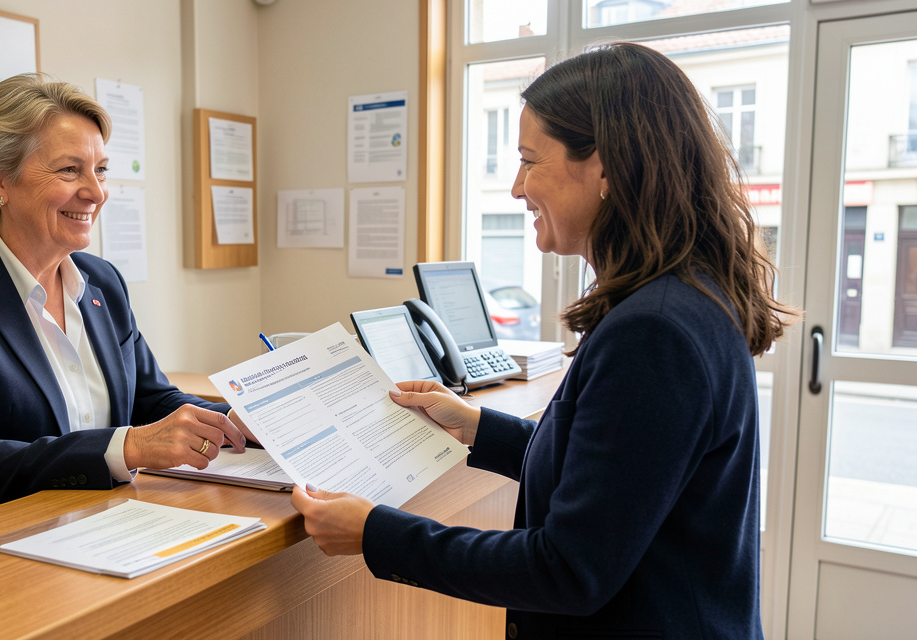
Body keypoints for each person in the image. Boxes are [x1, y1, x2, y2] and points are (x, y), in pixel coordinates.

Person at [290, 42, 799, 638]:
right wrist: (477, 427)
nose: (516, 188)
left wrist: (377, 533)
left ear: (606, 167)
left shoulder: (654, 331)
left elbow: (567, 570)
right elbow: (616, 470)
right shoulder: (680, 297)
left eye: (530, 161)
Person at [0, 73, 249, 533]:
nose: (96, 193)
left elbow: (151, 398)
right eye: (70, 170)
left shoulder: (102, 281)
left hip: (98, 525)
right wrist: (127, 448)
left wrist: (236, 420)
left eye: (101, 169)